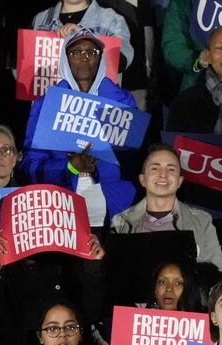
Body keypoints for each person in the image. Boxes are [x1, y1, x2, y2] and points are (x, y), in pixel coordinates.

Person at [22, 29, 137, 225]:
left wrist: (103, 160)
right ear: (65, 59)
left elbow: (135, 159)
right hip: (61, 213)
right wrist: (69, 167)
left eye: (92, 52)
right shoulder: (46, 104)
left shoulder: (122, 100)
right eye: (76, 52)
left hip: (115, 209)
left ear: (100, 59)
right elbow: (31, 165)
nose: (84, 58)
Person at [109, 145, 222, 273]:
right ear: (142, 179)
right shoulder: (121, 222)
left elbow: (218, 276)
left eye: (171, 169)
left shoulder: (202, 221)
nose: (163, 175)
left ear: (179, 181)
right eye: (155, 168)